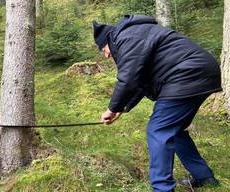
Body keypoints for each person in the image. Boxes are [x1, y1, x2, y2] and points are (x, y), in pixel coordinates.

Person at [93, 15, 221, 192]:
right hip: (200, 72)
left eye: (103, 49)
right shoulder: (135, 35)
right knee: (174, 131)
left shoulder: (126, 37)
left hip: (187, 75)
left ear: (108, 39)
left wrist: (111, 108)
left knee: (158, 130)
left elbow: (128, 79)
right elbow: (139, 81)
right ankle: (205, 178)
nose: (106, 55)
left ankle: (162, 188)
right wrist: (122, 108)